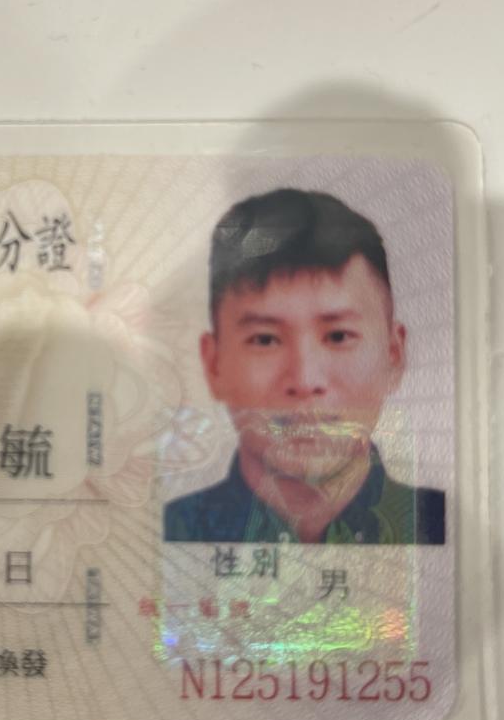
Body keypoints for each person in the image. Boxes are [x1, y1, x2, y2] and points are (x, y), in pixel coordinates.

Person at [163, 188, 446, 544]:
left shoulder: (443, 527)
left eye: (339, 336)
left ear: (394, 355)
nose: (304, 380)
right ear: (213, 363)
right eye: (265, 340)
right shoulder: (165, 533)